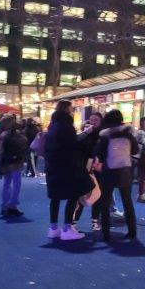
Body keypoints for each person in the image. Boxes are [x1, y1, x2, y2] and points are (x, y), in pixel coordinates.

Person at [43, 100, 92, 241]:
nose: (73, 110)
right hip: (67, 166)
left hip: (52, 166)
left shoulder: (52, 125)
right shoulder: (67, 126)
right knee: (73, 195)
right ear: (66, 109)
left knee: (55, 197)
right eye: (71, 108)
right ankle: (67, 228)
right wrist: (85, 134)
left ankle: (53, 228)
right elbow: (72, 145)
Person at [95, 110, 138, 241]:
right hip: (125, 170)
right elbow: (136, 150)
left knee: (105, 202)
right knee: (127, 201)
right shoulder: (129, 135)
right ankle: (132, 231)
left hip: (109, 171)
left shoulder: (105, 136)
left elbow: (100, 155)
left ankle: (106, 233)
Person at [76, 113, 103, 229]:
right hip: (84, 167)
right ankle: (74, 222)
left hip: (98, 166)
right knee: (81, 194)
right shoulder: (84, 134)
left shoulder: (103, 135)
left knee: (97, 194)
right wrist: (85, 133)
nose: (93, 122)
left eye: (96, 120)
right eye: (91, 120)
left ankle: (95, 221)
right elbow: (78, 146)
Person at [0, 115, 28, 218]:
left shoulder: (2, 134)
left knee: (6, 184)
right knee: (16, 183)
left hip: (5, 161)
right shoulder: (17, 133)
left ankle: (4, 206)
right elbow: (24, 143)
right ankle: (12, 206)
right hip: (16, 161)